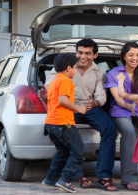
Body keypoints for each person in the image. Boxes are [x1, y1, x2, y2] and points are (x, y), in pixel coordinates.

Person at [40, 39, 118, 191]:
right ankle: (79, 176)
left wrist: (94, 103)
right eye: (80, 52)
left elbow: (102, 96)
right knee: (69, 138)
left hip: (89, 107)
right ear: (76, 52)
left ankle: (104, 176)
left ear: (95, 55)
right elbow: (50, 87)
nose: (83, 56)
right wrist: (45, 94)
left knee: (110, 129)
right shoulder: (63, 67)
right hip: (68, 107)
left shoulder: (100, 72)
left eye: (88, 53)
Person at [104, 42, 138, 190]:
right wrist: (129, 106)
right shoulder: (114, 73)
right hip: (120, 110)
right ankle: (129, 178)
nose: (135, 58)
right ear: (124, 56)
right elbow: (118, 99)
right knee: (129, 132)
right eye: (131, 55)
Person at [42, 53, 87, 193]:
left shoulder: (54, 81)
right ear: (68, 68)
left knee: (62, 152)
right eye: (75, 68)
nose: (76, 70)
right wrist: (78, 108)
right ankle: (65, 180)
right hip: (64, 124)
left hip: (51, 123)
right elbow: (63, 100)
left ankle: (50, 179)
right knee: (78, 152)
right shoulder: (66, 81)